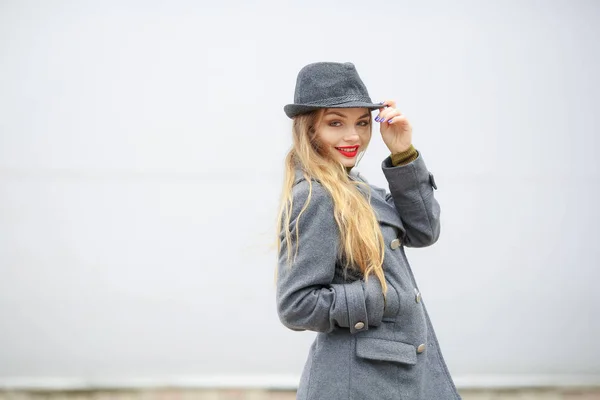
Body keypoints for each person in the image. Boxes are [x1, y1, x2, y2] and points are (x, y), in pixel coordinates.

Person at [274, 62, 461, 400]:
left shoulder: (358, 189)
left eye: (362, 123)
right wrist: (383, 297)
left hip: (386, 378)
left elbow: (424, 231)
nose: (353, 137)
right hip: (357, 384)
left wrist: (402, 152)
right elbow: (296, 305)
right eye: (335, 123)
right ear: (310, 129)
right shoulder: (317, 196)